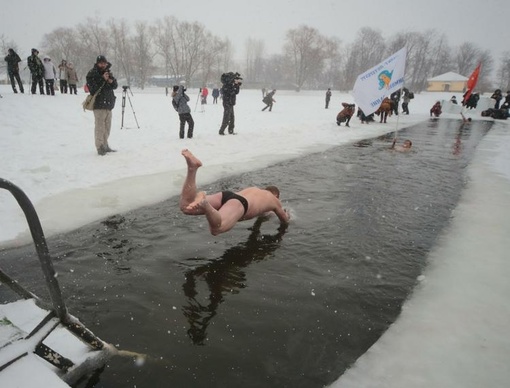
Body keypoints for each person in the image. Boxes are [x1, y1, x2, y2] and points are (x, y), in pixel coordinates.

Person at [179, 149, 290, 235]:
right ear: (276, 195)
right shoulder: (274, 200)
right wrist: (288, 217)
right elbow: (284, 220)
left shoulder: (255, 189)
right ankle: (206, 205)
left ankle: (192, 169)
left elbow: (261, 213)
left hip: (227, 195)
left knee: (185, 206)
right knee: (217, 229)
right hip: (240, 203)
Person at [86, 55, 118, 155]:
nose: (103, 65)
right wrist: (102, 79)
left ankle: (105, 144)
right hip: (99, 104)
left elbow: (115, 86)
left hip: (109, 104)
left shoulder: (108, 72)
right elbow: (92, 89)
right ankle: (100, 147)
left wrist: (110, 81)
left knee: (107, 127)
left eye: (104, 63)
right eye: (101, 63)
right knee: (100, 127)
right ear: (97, 63)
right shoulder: (92, 73)